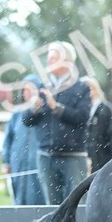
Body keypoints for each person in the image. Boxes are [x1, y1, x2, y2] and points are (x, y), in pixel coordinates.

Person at [23, 41, 91, 205]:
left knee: (77, 206)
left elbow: (82, 118)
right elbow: (26, 120)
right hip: (46, 156)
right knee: (52, 208)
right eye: (48, 58)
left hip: (73, 157)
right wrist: (34, 109)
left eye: (53, 58)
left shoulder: (81, 87)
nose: (48, 61)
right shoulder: (41, 87)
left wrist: (57, 107)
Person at [3, 75, 48, 206]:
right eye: (25, 90)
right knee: (19, 197)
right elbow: (9, 138)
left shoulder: (45, 114)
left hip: (37, 163)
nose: (27, 93)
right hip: (18, 163)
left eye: (31, 90)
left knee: (39, 197)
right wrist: (6, 161)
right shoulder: (17, 114)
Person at [82, 77, 112, 173]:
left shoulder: (104, 109)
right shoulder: (80, 110)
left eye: (91, 88)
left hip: (102, 156)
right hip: (84, 157)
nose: (88, 92)